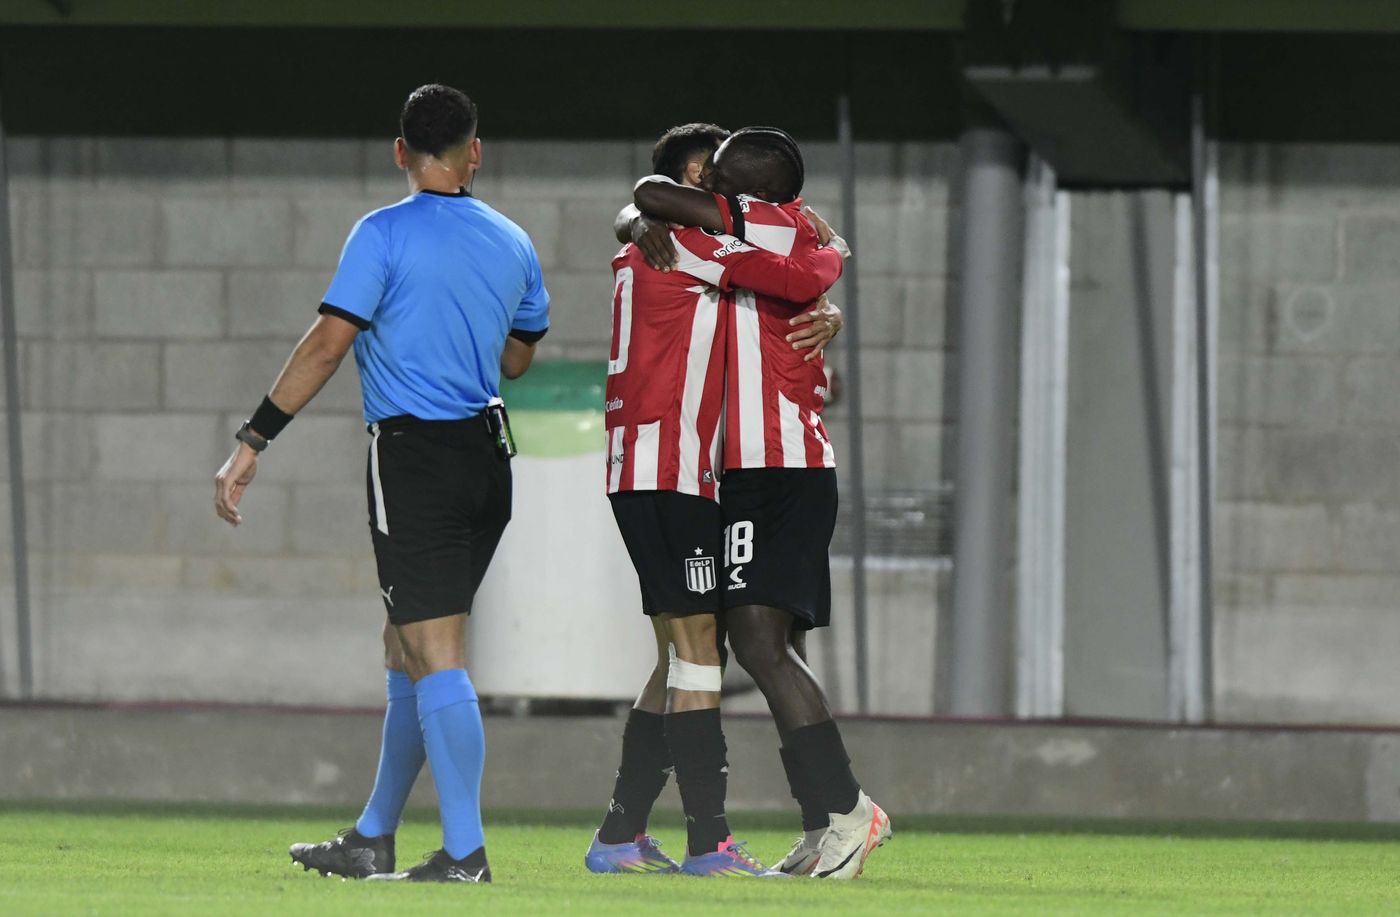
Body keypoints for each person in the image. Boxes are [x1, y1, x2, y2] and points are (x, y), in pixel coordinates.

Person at [212, 84, 549, 885]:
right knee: (403, 644)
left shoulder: (382, 234)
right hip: (489, 460)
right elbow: (518, 354)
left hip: (415, 457)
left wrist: (253, 439)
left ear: (400, 152)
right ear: (476, 152)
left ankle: (465, 853)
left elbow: (331, 343)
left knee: (435, 652)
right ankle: (372, 835)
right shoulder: (512, 239)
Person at [585, 123, 847, 878]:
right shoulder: (687, 243)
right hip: (670, 467)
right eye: (708, 183)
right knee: (702, 653)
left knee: (677, 654)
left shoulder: (656, 243)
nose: (724, 198)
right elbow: (796, 277)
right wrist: (832, 255)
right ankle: (709, 842)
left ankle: (621, 832)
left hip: (660, 466)